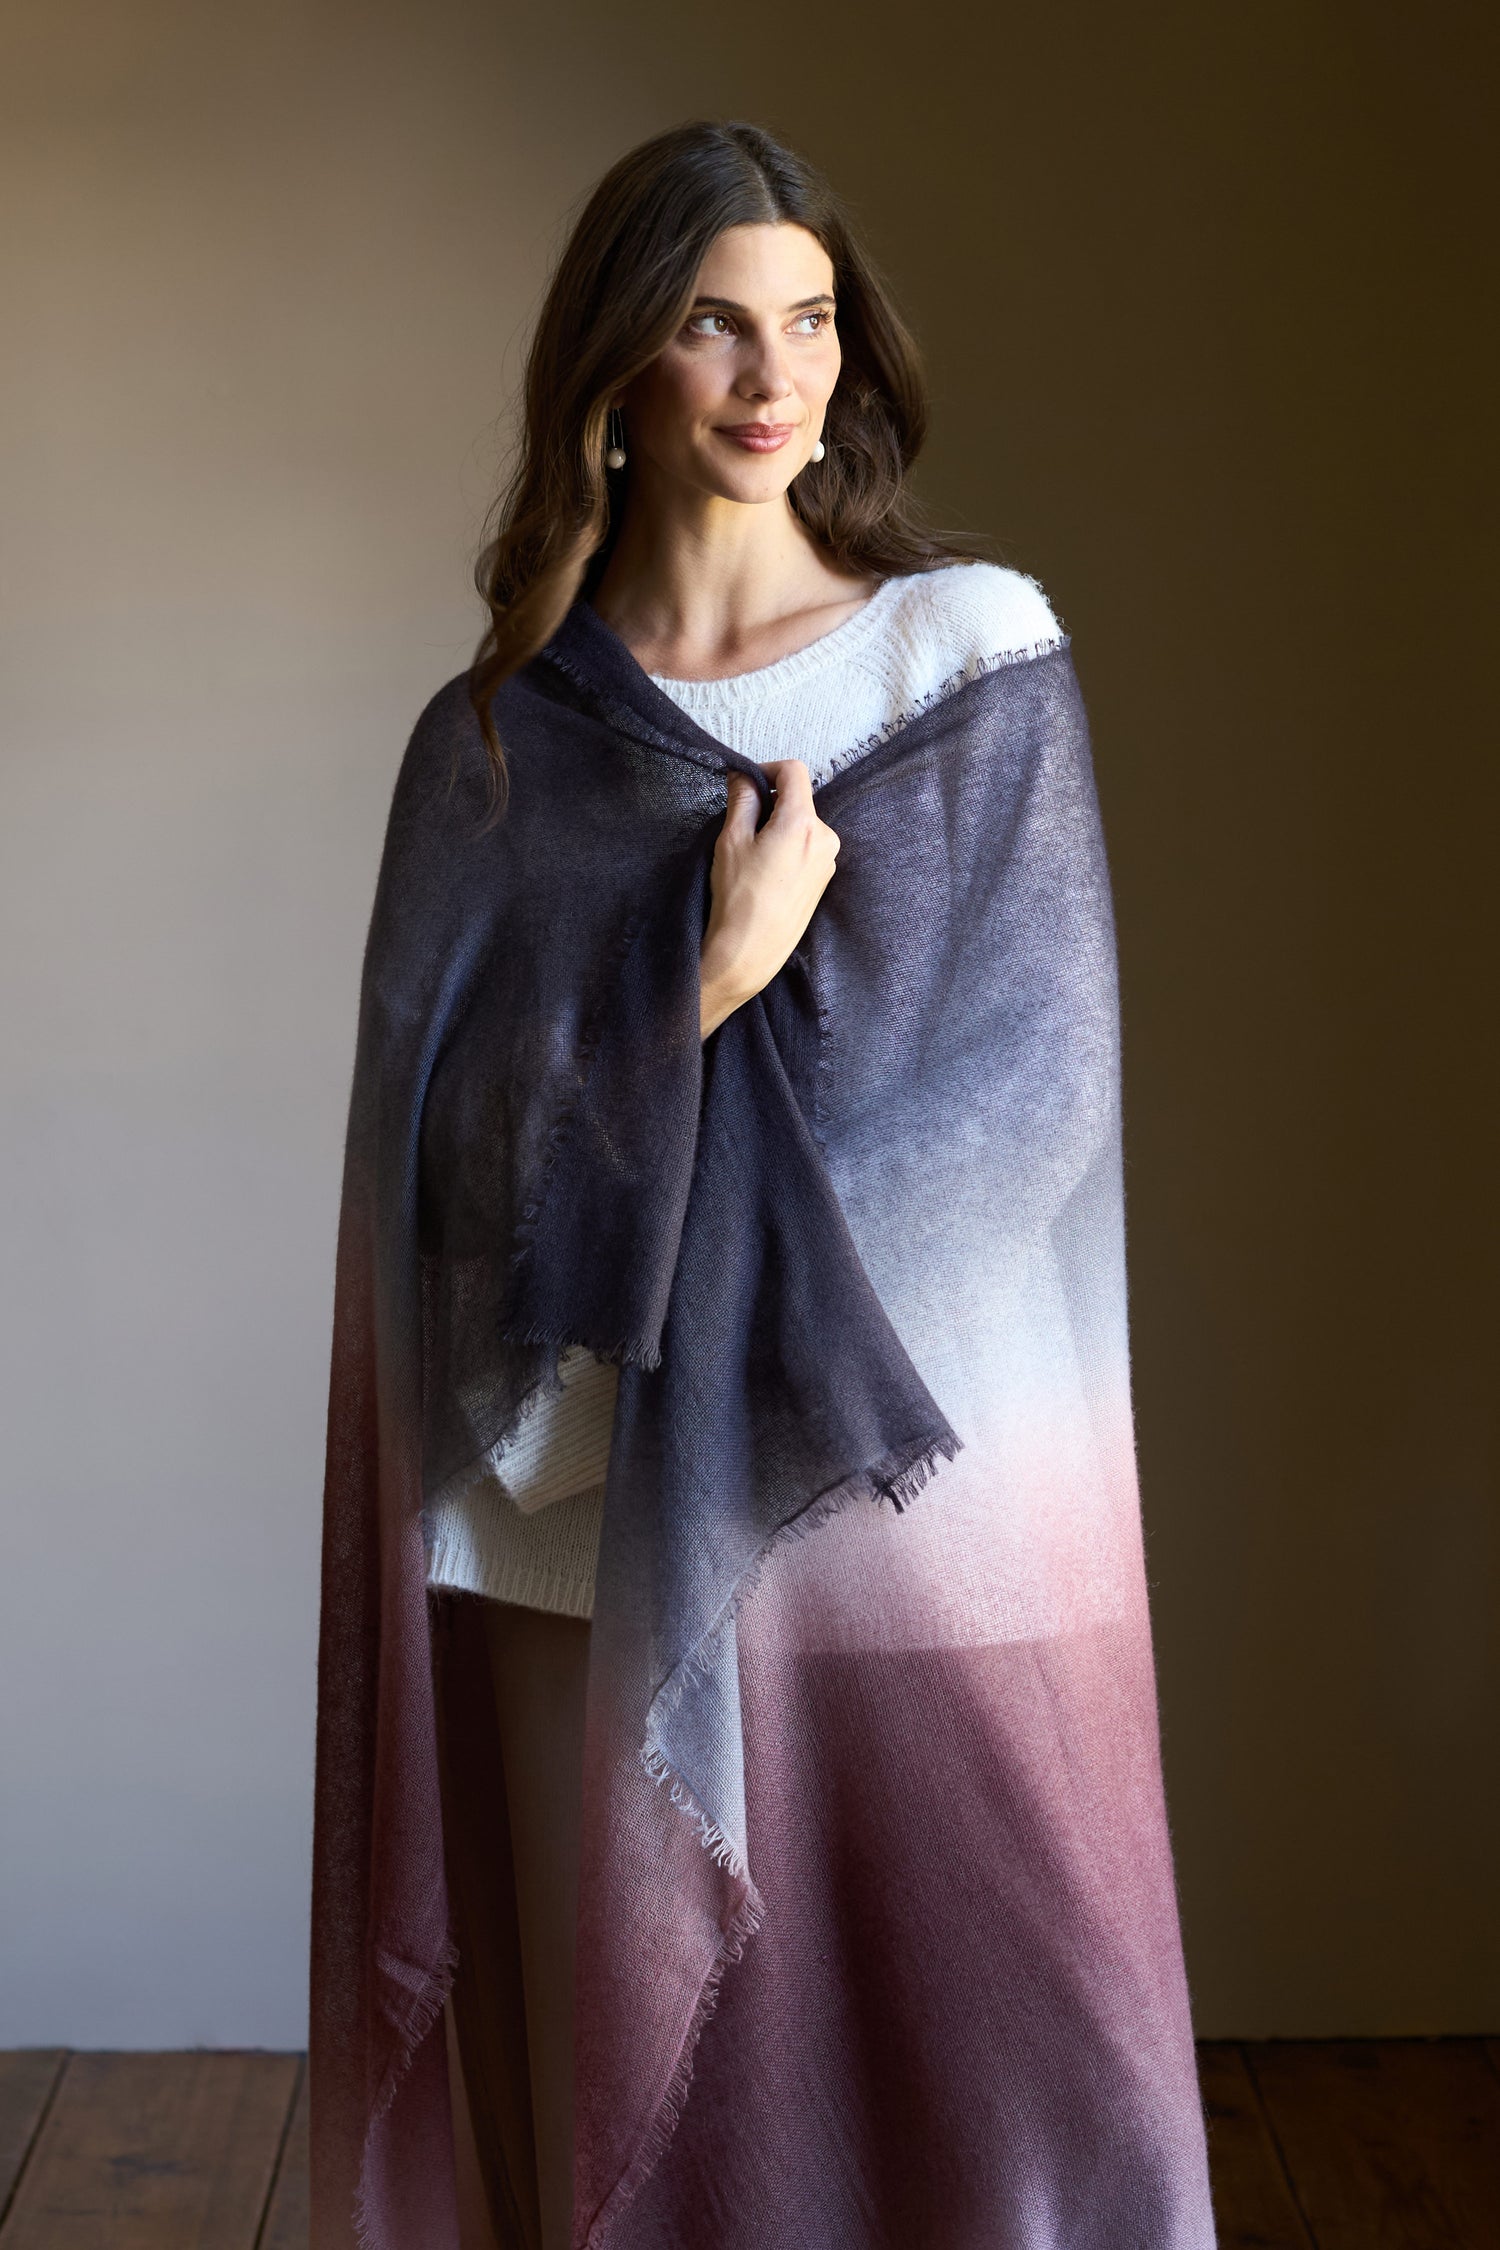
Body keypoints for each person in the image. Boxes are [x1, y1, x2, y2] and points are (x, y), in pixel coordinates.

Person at [311, 117, 1216, 2250]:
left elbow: (1028, 1104)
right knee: (635, 2093)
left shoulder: (967, 667)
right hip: (566, 1517)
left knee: (1012, 2074)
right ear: (618, 368)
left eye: (804, 323)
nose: (768, 376)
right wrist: (701, 982)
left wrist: (728, 1326)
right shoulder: (499, 746)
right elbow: (435, 1186)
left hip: (897, 1498)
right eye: (715, 323)